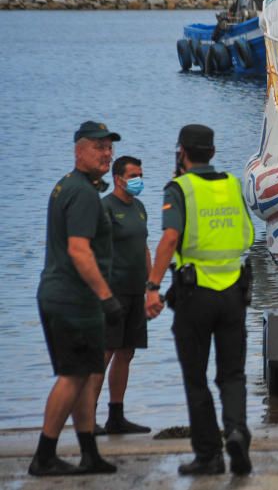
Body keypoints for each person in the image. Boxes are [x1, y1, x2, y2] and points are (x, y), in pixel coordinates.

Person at [145, 125, 255, 475]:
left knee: (196, 377)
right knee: (233, 374)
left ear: (182, 152)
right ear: (212, 150)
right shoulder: (233, 184)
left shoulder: (179, 189)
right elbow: (248, 234)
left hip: (195, 296)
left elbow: (169, 238)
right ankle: (236, 432)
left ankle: (209, 455)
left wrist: (152, 286)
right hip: (234, 292)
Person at [31, 121, 122, 476]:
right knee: (71, 376)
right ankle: (44, 455)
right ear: (78, 151)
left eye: (109, 147)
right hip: (72, 299)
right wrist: (107, 297)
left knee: (86, 373)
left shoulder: (67, 186)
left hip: (68, 297)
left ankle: (89, 452)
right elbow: (79, 251)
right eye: (99, 147)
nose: (107, 154)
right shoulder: (83, 193)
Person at [95, 155, 152, 436]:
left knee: (126, 353)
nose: (138, 180)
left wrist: (152, 286)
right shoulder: (105, 207)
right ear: (118, 179)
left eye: (140, 174)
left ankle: (116, 416)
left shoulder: (140, 208)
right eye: (133, 176)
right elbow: (90, 251)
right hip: (111, 292)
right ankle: (87, 419)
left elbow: (144, 248)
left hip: (135, 292)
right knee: (103, 354)